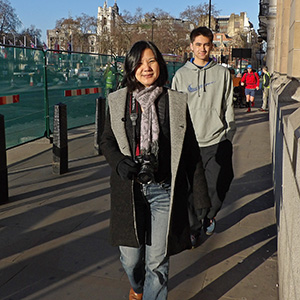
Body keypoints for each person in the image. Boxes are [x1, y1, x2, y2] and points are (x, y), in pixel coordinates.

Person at [100, 40, 208, 300]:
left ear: (159, 63)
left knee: (157, 266)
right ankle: (137, 288)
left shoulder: (176, 102)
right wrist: (118, 162)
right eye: (139, 63)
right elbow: (106, 140)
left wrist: (201, 197)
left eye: (151, 61)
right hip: (129, 190)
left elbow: (190, 150)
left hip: (164, 192)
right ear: (130, 67)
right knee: (130, 260)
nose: (145, 68)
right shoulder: (117, 101)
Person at [172, 27, 236, 246]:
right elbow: (176, 109)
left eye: (206, 44)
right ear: (191, 46)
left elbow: (228, 104)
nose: (202, 49)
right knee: (190, 189)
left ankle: (208, 215)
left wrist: (229, 133)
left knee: (220, 184)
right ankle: (194, 228)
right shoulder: (181, 75)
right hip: (190, 142)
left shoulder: (222, 74)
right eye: (198, 44)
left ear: (212, 46)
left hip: (217, 139)